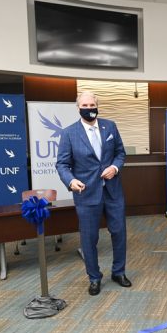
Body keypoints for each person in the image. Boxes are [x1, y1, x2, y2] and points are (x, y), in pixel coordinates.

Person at [56, 91, 130, 296]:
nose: (89, 108)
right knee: (89, 239)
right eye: (85, 105)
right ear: (78, 107)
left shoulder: (110, 126)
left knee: (119, 233)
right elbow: (62, 164)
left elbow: (120, 153)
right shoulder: (68, 133)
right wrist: (71, 181)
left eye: (92, 105)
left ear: (97, 106)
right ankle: (94, 278)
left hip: (113, 191)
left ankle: (119, 272)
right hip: (86, 193)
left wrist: (115, 167)